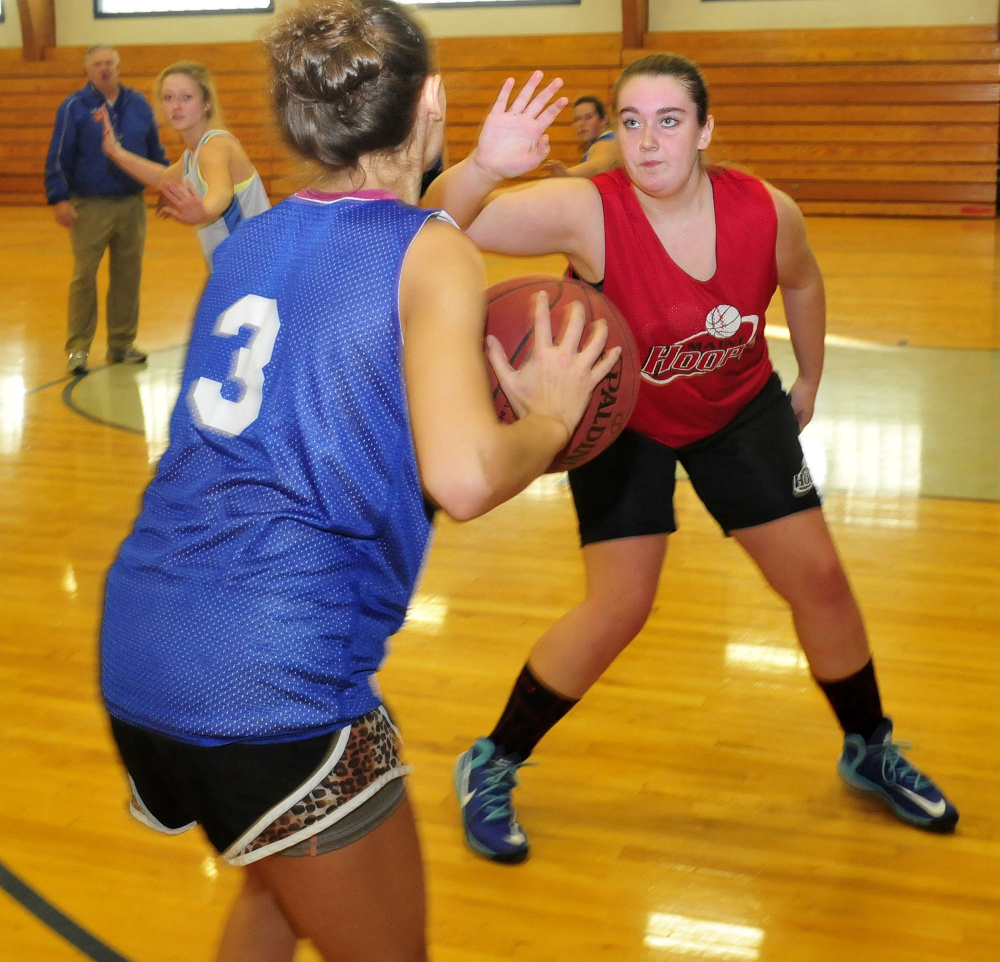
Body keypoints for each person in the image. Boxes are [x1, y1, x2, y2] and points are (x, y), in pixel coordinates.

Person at [99, 3, 615, 960]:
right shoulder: (433, 252)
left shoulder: (253, 242)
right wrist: (547, 417)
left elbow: (382, 251)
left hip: (146, 643)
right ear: (432, 99)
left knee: (282, 887)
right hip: (271, 674)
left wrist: (485, 171)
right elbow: (461, 477)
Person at [427, 52, 959, 865]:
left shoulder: (766, 211)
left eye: (669, 122)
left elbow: (804, 283)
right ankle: (491, 759)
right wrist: (478, 167)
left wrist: (811, 375)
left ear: (706, 129)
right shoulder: (588, 210)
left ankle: (869, 746)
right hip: (623, 418)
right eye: (631, 122)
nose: (647, 143)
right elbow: (442, 224)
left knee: (818, 578)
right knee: (619, 609)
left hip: (739, 410)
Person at [45, 44, 167, 376]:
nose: (104, 69)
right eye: (98, 64)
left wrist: (167, 186)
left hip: (132, 205)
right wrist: (59, 198)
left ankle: (121, 344)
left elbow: (155, 150)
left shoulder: (139, 104)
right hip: (90, 206)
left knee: (128, 277)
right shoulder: (73, 107)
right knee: (84, 277)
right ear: (88, 70)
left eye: (110, 63)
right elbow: (59, 156)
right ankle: (78, 349)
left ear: (118, 67)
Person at [99, 60, 270, 268]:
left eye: (186, 97)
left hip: (255, 266)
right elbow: (163, 179)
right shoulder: (192, 154)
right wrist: (114, 151)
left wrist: (205, 211)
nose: (176, 106)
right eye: (168, 97)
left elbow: (221, 191)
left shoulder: (214, 148)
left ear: (207, 103)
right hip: (233, 267)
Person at [542, 95, 621, 179]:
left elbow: (598, 165)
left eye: (588, 117)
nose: (581, 124)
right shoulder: (608, 140)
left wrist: (568, 173)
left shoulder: (604, 142)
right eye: (577, 119)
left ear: (604, 119)